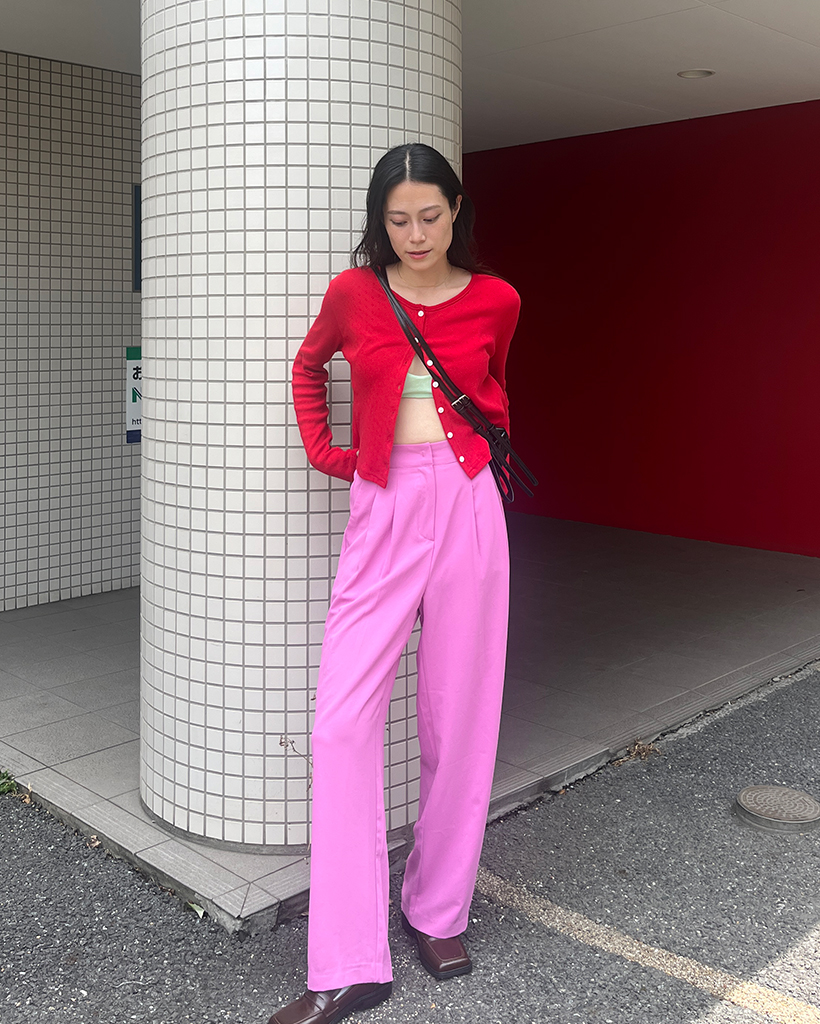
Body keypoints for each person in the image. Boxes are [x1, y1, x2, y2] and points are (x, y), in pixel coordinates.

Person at [269, 142, 520, 1024]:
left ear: (456, 212)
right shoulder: (353, 294)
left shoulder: (497, 298)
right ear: (380, 223)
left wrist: (477, 471)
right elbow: (308, 367)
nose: (415, 234)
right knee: (341, 724)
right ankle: (349, 962)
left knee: (461, 715)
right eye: (398, 219)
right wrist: (330, 452)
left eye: (430, 216)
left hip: (469, 503)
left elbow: (491, 389)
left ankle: (437, 910)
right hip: (383, 504)